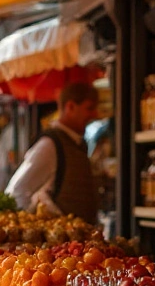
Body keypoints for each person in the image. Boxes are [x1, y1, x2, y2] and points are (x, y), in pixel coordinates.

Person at [5, 82, 102, 224]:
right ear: (70, 107)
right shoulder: (49, 145)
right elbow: (17, 191)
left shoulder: (78, 143)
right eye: (89, 108)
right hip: (60, 243)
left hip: (79, 242)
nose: (95, 114)